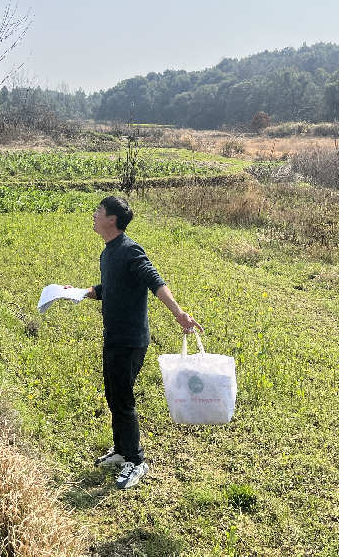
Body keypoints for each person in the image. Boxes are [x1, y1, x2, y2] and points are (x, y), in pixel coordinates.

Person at [70, 195, 201, 490]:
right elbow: (111, 287)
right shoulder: (108, 252)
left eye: (99, 211)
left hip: (130, 339)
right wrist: (81, 291)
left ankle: (136, 460)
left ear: (112, 219)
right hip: (114, 335)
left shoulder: (129, 250)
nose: (94, 214)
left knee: (123, 398)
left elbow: (154, 280)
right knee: (114, 396)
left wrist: (179, 314)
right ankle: (121, 449)